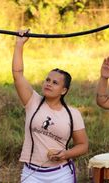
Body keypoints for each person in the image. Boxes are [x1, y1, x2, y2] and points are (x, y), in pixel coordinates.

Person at [12, 30, 89, 183]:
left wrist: (65, 154)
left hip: (60, 173)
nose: (49, 84)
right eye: (47, 80)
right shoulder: (32, 101)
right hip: (31, 172)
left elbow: (83, 145)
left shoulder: (73, 114)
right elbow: (17, 73)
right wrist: (19, 44)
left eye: (55, 82)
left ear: (64, 90)